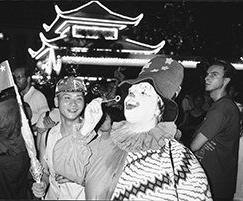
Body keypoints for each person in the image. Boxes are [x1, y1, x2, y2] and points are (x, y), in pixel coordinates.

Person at [51, 57, 212, 200]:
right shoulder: (106, 143)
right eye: (131, 91)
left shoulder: (180, 160)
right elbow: (65, 166)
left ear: (159, 107)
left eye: (143, 91)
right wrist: (86, 128)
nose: (132, 95)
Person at [191, 60, 240, 201]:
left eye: (214, 75)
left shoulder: (221, 109)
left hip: (215, 182)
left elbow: (194, 145)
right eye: (207, 74)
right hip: (217, 180)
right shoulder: (220, 105)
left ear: (226, 81)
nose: (207, 78)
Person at [32, 76, 87, 200]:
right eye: (67, 98)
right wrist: (42, 185)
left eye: (79, 98)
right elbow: (45, 172)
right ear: (56, 102)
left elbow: (104, 178)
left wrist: (79, 179)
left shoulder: (92, 136)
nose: (73, 104)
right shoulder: (48, 136)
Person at [13, 66, 50, 132]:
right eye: (14, 78)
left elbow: (46, 119)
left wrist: (29, 130)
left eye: (19, 77)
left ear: (28, 79)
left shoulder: (37, 96)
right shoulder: (18, 97)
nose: (16, 81)